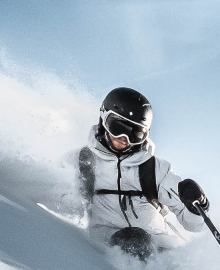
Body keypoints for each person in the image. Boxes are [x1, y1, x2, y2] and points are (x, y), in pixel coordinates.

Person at [76, 87, 209, 259]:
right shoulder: (83, 162)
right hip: (104, 250)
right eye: (118, 127)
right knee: (132, 239)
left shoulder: (154, 169)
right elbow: (50, 193)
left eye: (136, 133)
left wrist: (197, 206)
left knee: (152, 248)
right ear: (103, 119)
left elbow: (195, 226)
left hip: (159, 250)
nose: (125, 139)